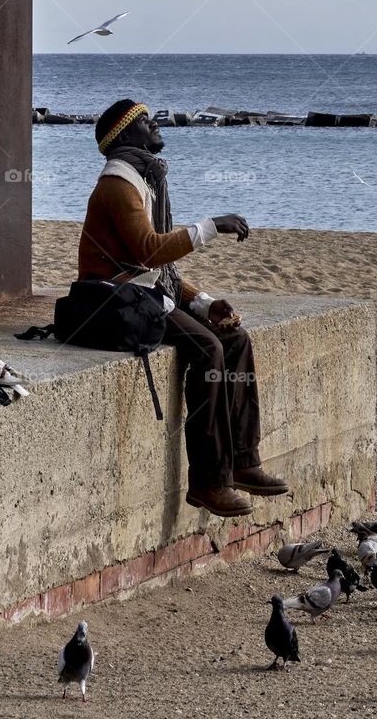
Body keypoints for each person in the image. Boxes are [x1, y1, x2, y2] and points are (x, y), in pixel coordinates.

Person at [77, 98, 288, 516]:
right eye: (144, 120)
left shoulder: (145, 178)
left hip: (143, 292)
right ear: (124, 134)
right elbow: (150, 252)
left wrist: (202, 301)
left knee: (236, 338)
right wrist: (211, 226)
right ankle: (209, 484)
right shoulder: (118, 183)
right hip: (116, 299)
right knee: (207, 347)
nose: (155, 123)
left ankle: (244, 461)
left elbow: (160, 270)